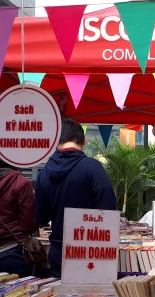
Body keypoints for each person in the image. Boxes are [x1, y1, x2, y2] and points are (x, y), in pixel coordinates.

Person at [35, 118, 117, 277]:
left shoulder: (43, 174)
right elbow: (108, 209)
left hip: (58, 251)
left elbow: (41, 217)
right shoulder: (92, 167)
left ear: (58, 143)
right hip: (89, 252)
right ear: (83, 141)